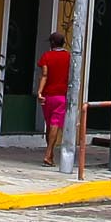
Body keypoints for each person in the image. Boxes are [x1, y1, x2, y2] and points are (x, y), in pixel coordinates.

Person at [34, 32, 72, 163]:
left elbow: (44, 75)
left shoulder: (46, 56)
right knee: (55, 124)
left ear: (52, 43)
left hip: (47, 96)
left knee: (49, 125)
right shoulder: (69, 57)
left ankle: (49, 154)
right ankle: (48, 153)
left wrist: (39, 92)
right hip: (61, 96)